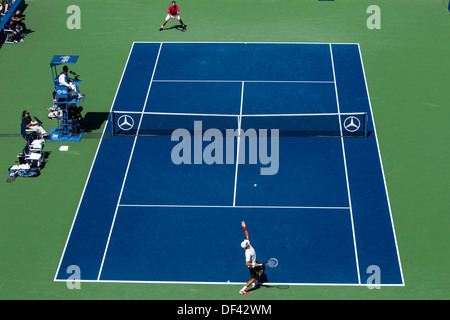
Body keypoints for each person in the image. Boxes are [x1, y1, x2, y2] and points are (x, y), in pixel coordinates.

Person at [239, 221, 264, 295]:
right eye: (246, 243)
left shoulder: (248, 243)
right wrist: (254, 264)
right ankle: (242, 290)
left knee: (261, 270)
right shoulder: (248, 253)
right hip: (251, 267)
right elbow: (246, 263)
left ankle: (256, 283)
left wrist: (244, 227)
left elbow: (247, 235)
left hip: (254, 263)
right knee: (252, 278)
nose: (246, 241)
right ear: (246, 246)